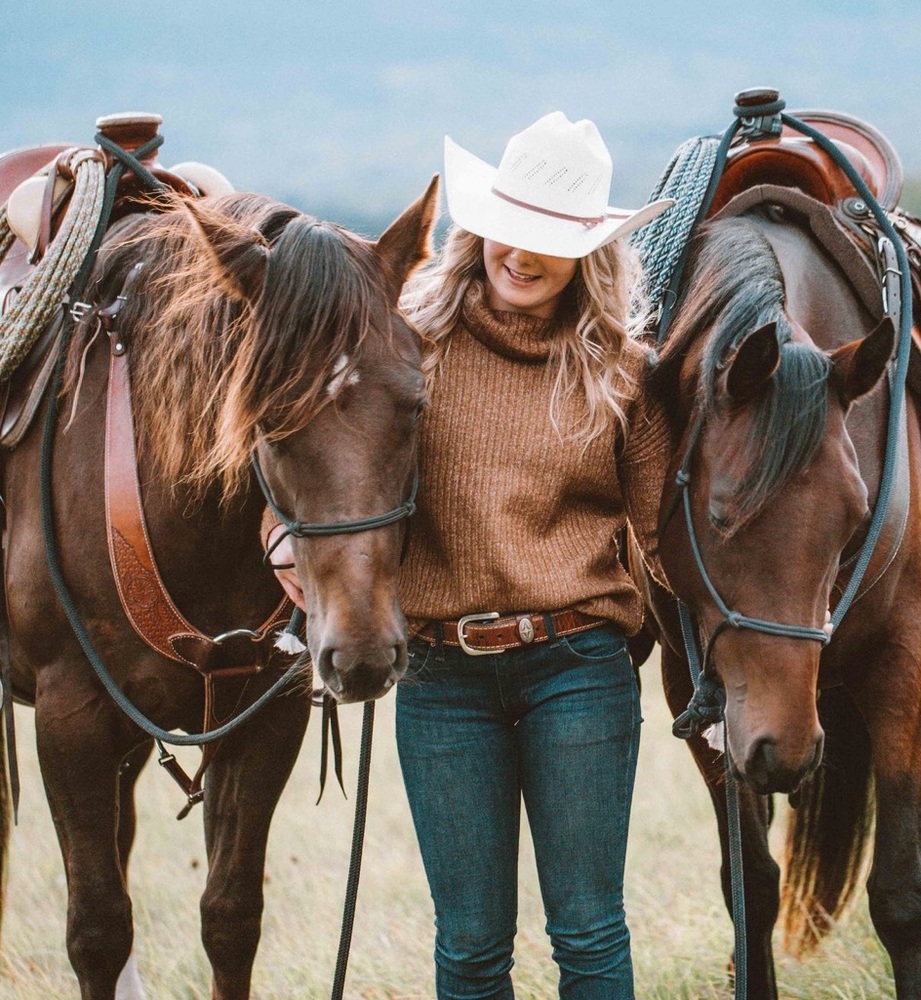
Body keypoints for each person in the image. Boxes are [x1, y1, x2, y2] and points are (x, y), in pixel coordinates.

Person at [265, 111, 673, 999]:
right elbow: (312, 456)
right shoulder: (404, 347)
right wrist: (278, 537)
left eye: (548, 240)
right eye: (506, 229)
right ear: (478, 227)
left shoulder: (622, 371)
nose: (519, 255)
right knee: (471, 943)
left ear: (588, 255)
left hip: (579, 666)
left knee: (588, 931)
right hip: (441, 675)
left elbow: (664, 537)